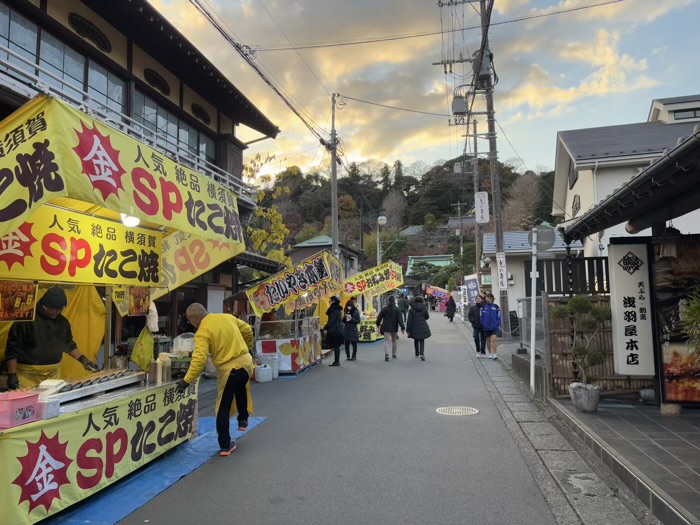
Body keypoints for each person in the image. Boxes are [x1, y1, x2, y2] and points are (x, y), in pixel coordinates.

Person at [176, 303, 255, 456]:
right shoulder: (227, 317)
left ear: (194, 318)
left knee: (223, 406)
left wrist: (186, 381)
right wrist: (247, 346)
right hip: (246, 363)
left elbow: (199, 361)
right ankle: (243, 420)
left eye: (189, 320)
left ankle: (225, 445)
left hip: (229, 369)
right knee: (241, 387)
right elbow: (247, 330)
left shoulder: (202, 332)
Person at [5, 287, 99, 390]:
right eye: (53, 309)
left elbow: (68, 344)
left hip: (53, 376)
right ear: (44, 305)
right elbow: (12, 349)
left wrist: (83, 360)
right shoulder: (26, 320)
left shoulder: (62, 322)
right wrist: (11, 375)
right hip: (27, 377)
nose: (57, 312)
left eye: (60, 309)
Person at [376, 295, 405, 361]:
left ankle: (387, 354)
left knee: (386, 341)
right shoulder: (397, 309)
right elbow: (400, 319)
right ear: (394, 301)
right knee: (394, 341)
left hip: (386, 327)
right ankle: (394, 354)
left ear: (388, 301)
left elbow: (379, 318)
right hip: (394, 327)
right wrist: (402, 328)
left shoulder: (384, 308)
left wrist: (377, 324)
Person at [406, 296, 431, 361]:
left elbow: (409, 320)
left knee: (416, 339)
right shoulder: (424, 308)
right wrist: (422, 319)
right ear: (422, 301)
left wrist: (408, 330)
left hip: (414, 326)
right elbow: (427, 317)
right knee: (422, 340)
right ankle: (422, 354)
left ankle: (417, 353)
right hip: (423, 326)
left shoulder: (411, 309)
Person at [480, 293, 502, 360]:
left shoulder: (496, 307)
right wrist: (483, 323)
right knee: (488, 340)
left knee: (494, 339)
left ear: (491, 298)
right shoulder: (483, 307)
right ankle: (490, 353)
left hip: (494, 326)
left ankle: (495, 354)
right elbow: (481, 316)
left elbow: (499, 316)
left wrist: (497, 323)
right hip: (486, 327)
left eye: (488, 297)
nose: (486, 298)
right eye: (486, 297)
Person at [324, 296, 344, 367]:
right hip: (338, 329)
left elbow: (331, 321)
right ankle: (336, 361)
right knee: (336, 346)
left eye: (330, 301)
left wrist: (326, 328)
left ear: (333, 301)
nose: (329, 303)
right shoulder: (338, 309)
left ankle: (336, 361)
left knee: (336, 346)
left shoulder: (334, 310)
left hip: (335, 330)